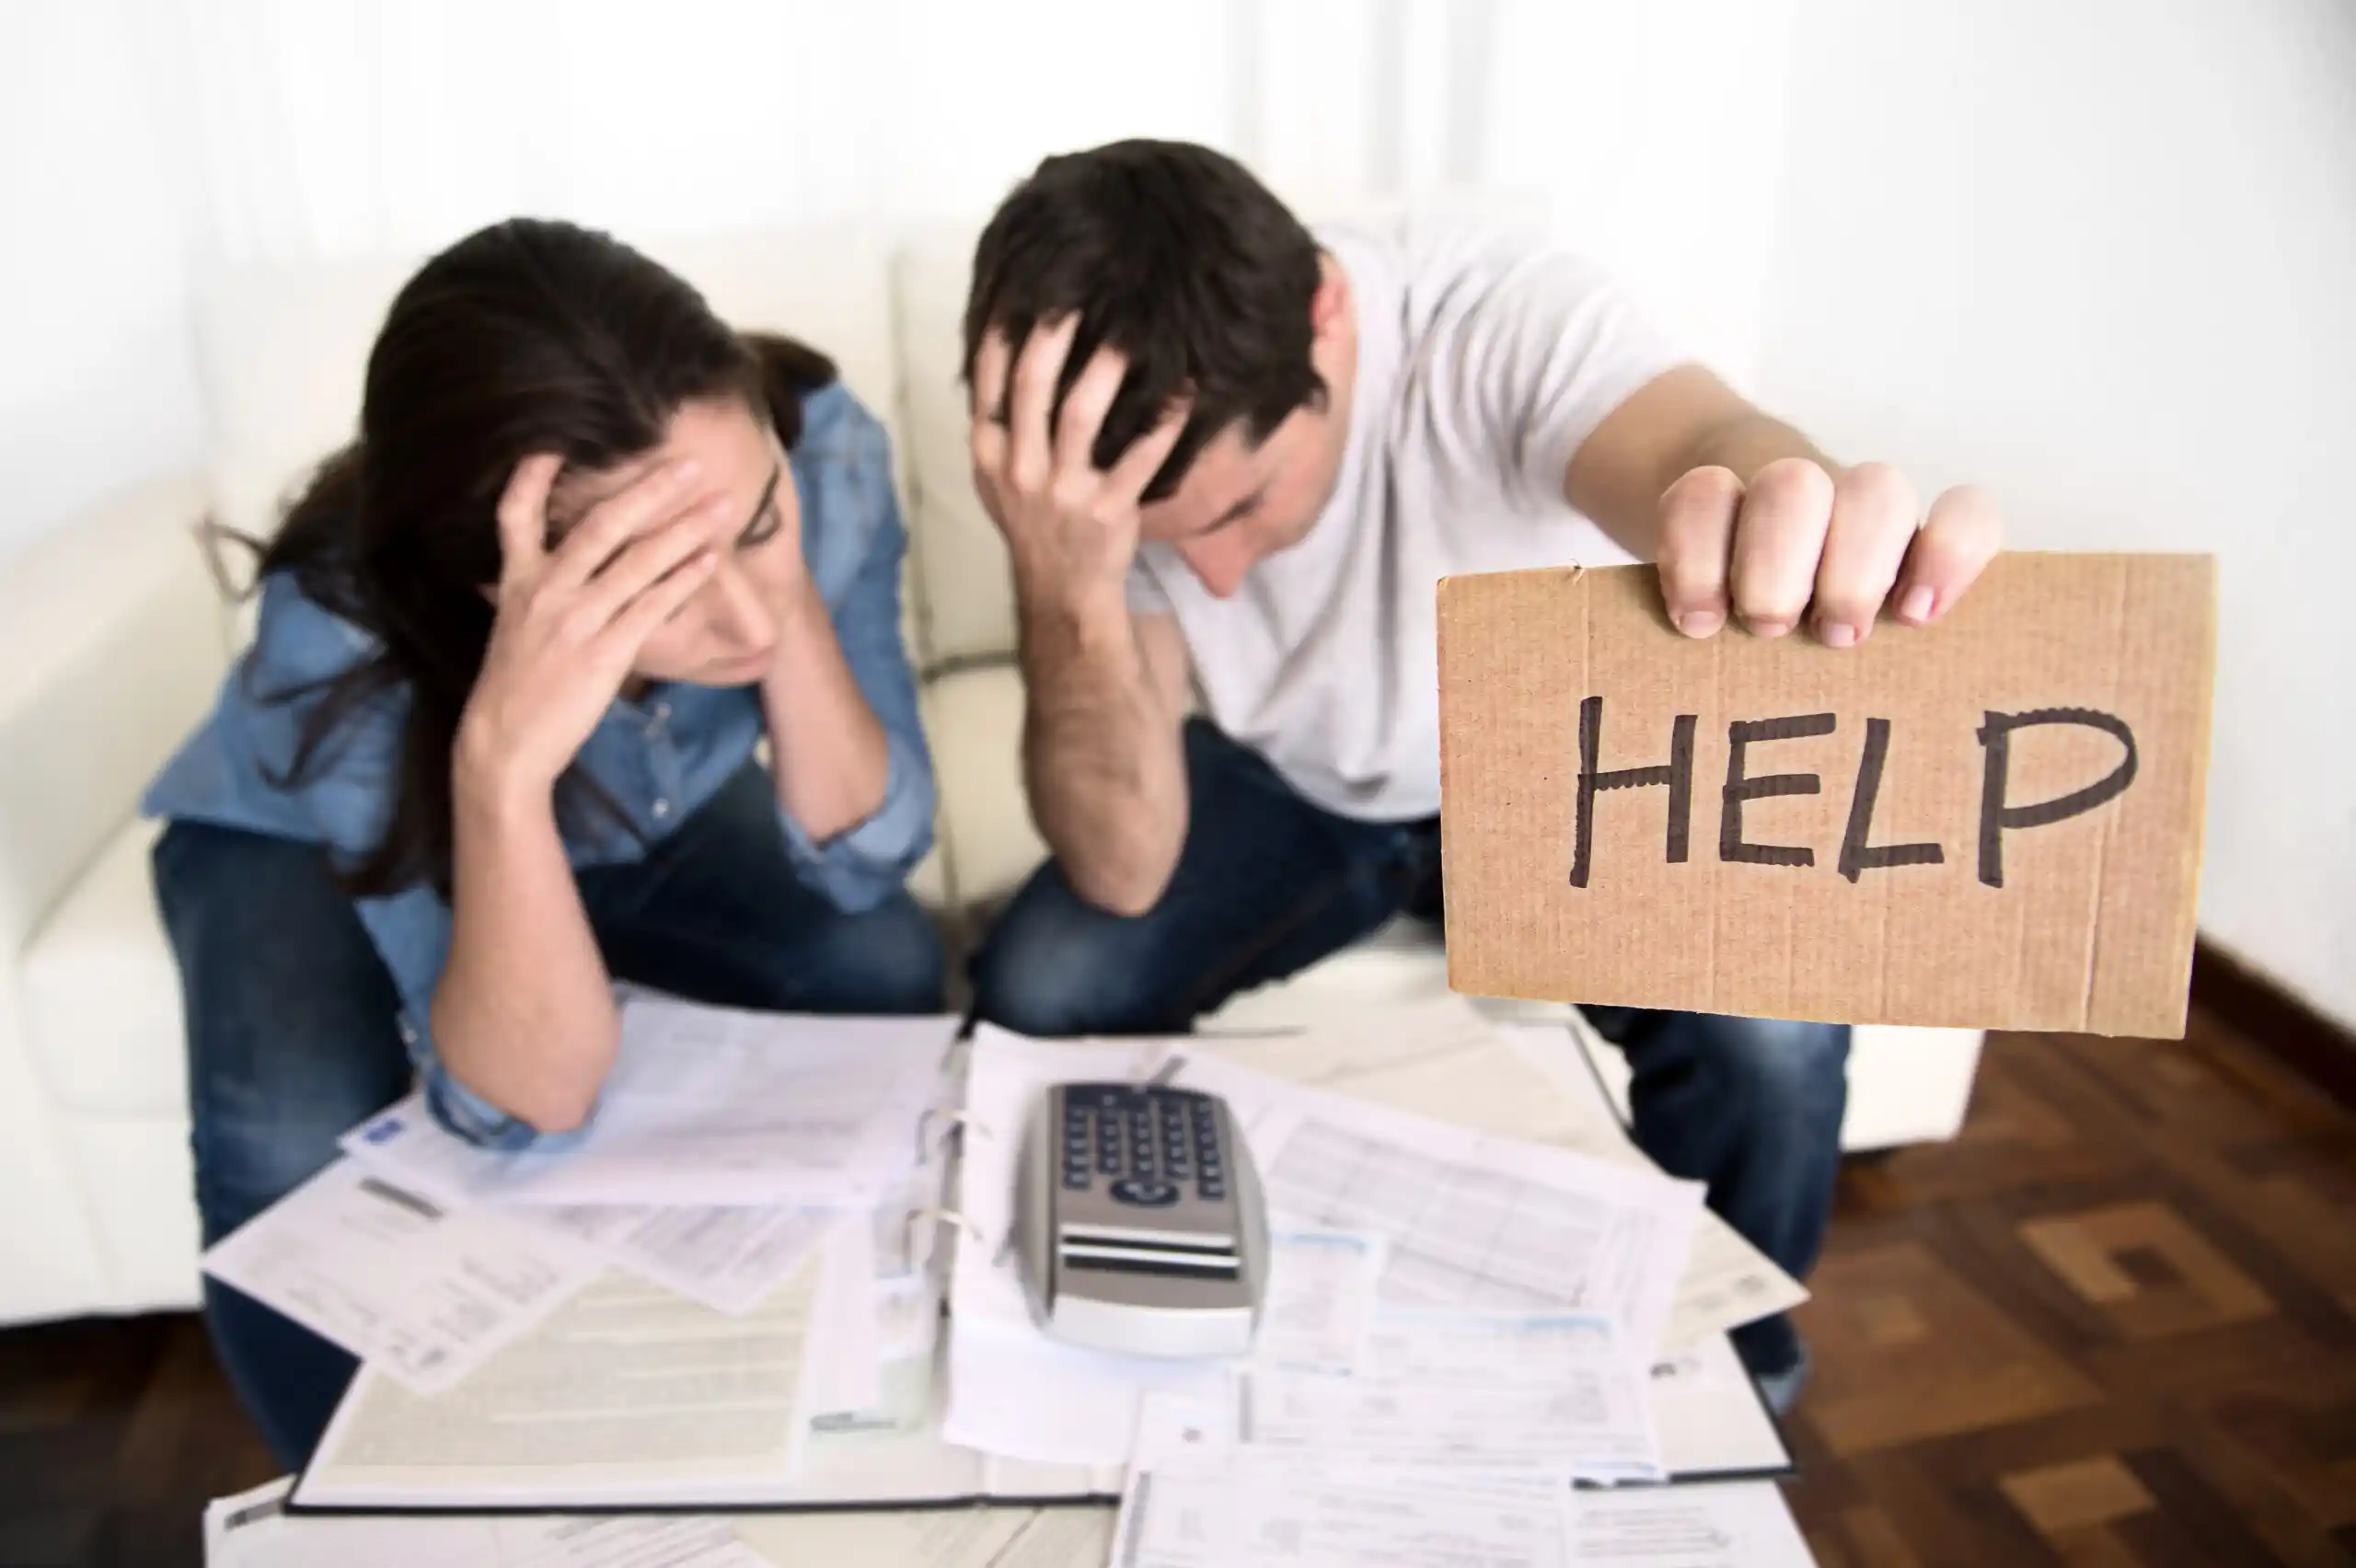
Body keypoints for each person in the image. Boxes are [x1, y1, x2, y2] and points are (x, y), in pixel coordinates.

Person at [959, 141, 2004, 1411]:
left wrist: (1778, 509)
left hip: (1549, 764)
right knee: (1041, 976)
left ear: (1325, 319)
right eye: (1171, 550)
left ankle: (1739, 1364)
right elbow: (1123, 871)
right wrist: (1069, 577)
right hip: (1291, 783)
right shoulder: (1087, 477)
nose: (1220, 580)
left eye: (1244, 511)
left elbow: (1701, 443)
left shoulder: (1489, 315)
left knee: (1771, 1025)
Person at [145, 218, 944, 1464]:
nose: (743, 618)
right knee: (287, 1135)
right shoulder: (340, 633)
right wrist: (503, 772)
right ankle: (347, 1509)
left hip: (636, 801)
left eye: (753, 523)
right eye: (656, 585)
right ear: (497, 583)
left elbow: (867, 852)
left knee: (884, 963)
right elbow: (523, 1107)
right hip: (289, 831)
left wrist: (775, 574)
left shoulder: (821, 450)